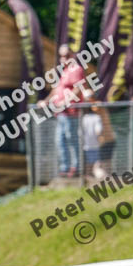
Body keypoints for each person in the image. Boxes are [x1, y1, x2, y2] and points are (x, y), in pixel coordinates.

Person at [40, 44, 85, 178]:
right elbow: (56, 90)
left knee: (71, 140)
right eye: (61, 56)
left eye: (66, 55)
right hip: (61, 113)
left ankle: (75, 168)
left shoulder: (76, 69)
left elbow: (78, 88)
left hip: (71, 112)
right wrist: (46, 101)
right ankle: (65, 168)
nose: (63, 58)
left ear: (72, 56)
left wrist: (64, 102)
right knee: (60, 140)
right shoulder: (65, 71)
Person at [81, 90, 102, 180]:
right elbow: (99, 131)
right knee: (94, 166)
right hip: (93, 146)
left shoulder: (82, 118)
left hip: (86, 146)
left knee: (91, 167)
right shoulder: (96, 117)